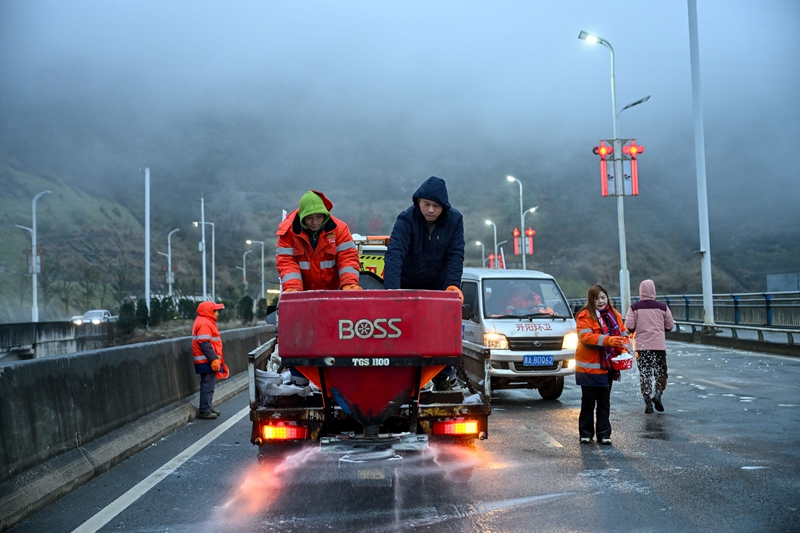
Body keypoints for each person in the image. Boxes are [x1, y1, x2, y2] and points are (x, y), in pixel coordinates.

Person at [383, 176, 465, 302]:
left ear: (444, 206)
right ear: (419, 201)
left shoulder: (454, 220)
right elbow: (395, 253)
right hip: (407, 287)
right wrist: (392, 292)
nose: (430, 210)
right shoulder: (406, 219)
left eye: (436, 205)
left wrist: (453, 285)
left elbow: (455, 255)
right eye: (426, 204)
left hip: (439, 289)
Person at [276, 190, 362, 293]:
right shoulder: (288, 234)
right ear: (302, 216)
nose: (315, 222)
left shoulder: (340, 230)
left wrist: (349, 284)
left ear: (325, 215)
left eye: (319, 217)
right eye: (309, 218)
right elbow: (287, 263)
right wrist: (292, 289)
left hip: (333, 293)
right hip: (302, 295)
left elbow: (347, 258)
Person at [575, 284, 629, 445]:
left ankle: (604, 434)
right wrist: (608, 340)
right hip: (589, 368)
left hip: (608, 367)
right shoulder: (584, 315)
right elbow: (585, 337)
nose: (600, 301)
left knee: (604, 402)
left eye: (603, 298)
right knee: (588, 402)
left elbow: (624, 335)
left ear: (607, 298)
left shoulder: (615, 315)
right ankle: (585, 433)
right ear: (591, 300)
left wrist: (624, 349)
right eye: (596, 298)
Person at [625, 279, 675, 414]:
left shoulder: (634, 308)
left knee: (645, 373)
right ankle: (658, 393)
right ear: (654, 291)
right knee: (661, 371)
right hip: (658, 346)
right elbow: (670, 326)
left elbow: (629, 326)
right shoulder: (662, 307)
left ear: (640, 291)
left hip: (641, 347)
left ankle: (647, 402)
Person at [192, 301, 229, 420]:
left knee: (208, 384)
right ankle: (204, 410)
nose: (218, 313)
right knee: (207, 385)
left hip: (207, 360)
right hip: (206, 361)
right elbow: (204, 344)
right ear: (210, 311)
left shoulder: (205, 321)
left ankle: (207, 407)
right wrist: (213, 359)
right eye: (217, 311)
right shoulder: (204, 323)